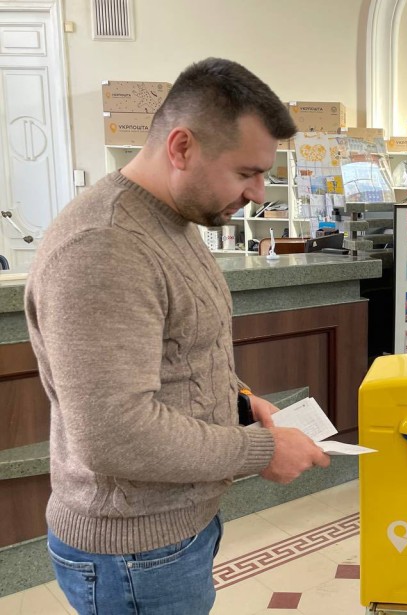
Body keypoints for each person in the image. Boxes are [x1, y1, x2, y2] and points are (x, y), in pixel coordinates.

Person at [24, 58, 330, 615]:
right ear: (182, 147)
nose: (260, 194)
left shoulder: (173, 219)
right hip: (132, 552)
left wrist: (237, 400)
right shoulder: (103, 246)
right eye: (245, 173)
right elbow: (115, 433)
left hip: (173, 529)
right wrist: (260, 449)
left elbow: (182, 349)